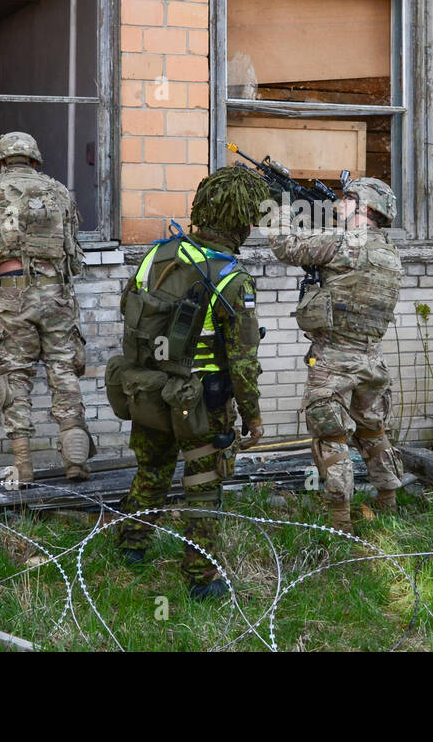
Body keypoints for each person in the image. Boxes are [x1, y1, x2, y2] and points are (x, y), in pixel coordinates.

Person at [105, 165, 267, 600]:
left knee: (152, 471)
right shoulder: (232, 278)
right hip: (202, 405)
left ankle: (130, 546)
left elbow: (131, 317)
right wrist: (252, 416)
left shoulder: (156, 256)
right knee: (202, 485)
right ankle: (201, 579)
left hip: (149, 392)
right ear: (241, 221)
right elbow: (243, 362)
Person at [268, 177, 404, 534]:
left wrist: (282, 206)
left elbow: (285, 246)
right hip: (371, 360)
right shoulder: (389, 252)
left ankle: (339, 522)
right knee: (373, 431)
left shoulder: (344, 242)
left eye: (348, 200)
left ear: (364, 208)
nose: (340, 206)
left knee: (333, 437)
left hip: (334, 360)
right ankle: (389, 502)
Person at [0, 131, 91, 483]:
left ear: (2, 161)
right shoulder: (58, 191)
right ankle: (75, 461)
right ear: (34, 160)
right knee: (63, 371)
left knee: (14, 374)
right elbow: (74, 233)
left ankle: (24, 466)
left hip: (14, 293)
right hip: (58, 292)